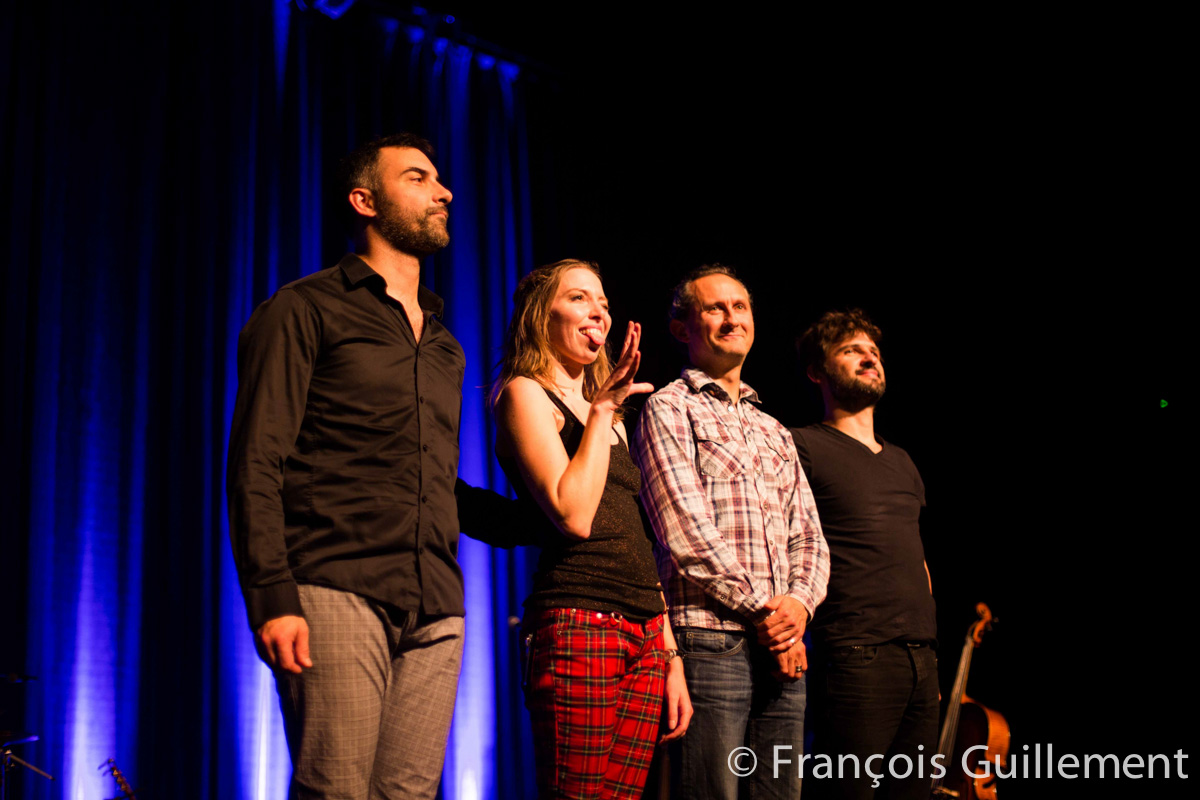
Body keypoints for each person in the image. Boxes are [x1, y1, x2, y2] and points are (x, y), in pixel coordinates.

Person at [228, 133, 521, 799]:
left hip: (437, 605)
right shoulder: (305, 309)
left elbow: (430, 483)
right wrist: (272, 597)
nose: (443, 192)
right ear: (365, 201)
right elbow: (257, 460)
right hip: (335, 586)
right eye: (418, 178)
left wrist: (539, 521)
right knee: (336, 789)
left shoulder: (445, 346)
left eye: (439, 180)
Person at [490, 259, 692, 799]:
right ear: (541, 314)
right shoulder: (526, 393)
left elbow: (634, 536)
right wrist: (601, 413)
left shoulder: (610, 415)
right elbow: (573, 515)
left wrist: (670, 653)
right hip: (579, 621)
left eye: (603, 302)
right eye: (579, 298)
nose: (598, 311)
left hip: (645, 633)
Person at [634, 264, 829, 800]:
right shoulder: (668, 408)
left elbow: (809, 537)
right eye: (715, 308)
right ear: (682, 328)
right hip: (709, 639)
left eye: (739, 307)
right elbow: (684, 529)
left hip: (784, 642)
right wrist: (769, 616)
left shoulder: (774, 430)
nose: (731, 318)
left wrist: (799, 607)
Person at [792, 309, 938, 800]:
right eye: (851, 350)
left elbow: (916, 558)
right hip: (855, 655)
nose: (869, 358)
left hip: (920, 659)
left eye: (873, 351)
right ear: (818, 372)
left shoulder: (902, 461)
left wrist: (927, 654)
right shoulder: (802, 447)